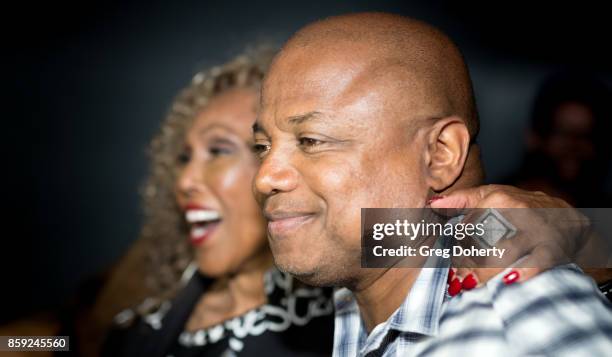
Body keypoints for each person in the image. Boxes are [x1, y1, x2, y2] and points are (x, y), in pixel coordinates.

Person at [252, 13, 612, 356]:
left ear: (440, 153)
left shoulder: (521, 315)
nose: (265, 177)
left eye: (311, 140)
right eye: (262, 147)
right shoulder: (338, 303)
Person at [101, 47, 335, 357]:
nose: (184, 180)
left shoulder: (350, 315)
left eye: (219, 150)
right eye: (184, 158)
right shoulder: (135, 332)